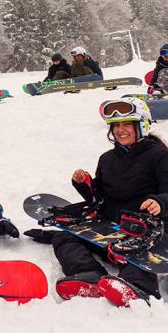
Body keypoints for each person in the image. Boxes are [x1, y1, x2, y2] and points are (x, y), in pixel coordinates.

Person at [43, 98, 168, 307]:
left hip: (148, 230)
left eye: (127, 124)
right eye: (116, 126)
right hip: (111, 227)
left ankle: (138, 287)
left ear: (142, 125)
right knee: (64, 237)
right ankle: (87, 274)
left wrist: (160, 202)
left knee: (138, 251)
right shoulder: (107, 158)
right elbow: (100, 197)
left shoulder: (159, 156)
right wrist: (84, 184)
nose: (120, 130)